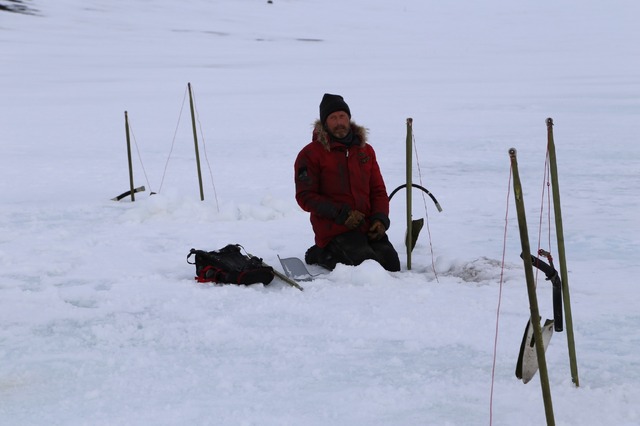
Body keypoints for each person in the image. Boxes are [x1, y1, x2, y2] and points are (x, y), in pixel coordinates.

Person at [294, 93, 400, 272]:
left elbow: (378, 190)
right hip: (334, 229)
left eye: (342, 116)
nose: (339, 122)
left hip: (366, 226)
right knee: (365, 265)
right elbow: (305, 197)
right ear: (325, 123)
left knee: (391, 265)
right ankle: (321, 252)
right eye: (333, 118)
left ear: (349, 119)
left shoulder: (365, 151)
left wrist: (380, 219)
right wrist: (342, 214)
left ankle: (354, 246)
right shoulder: (310, 154)